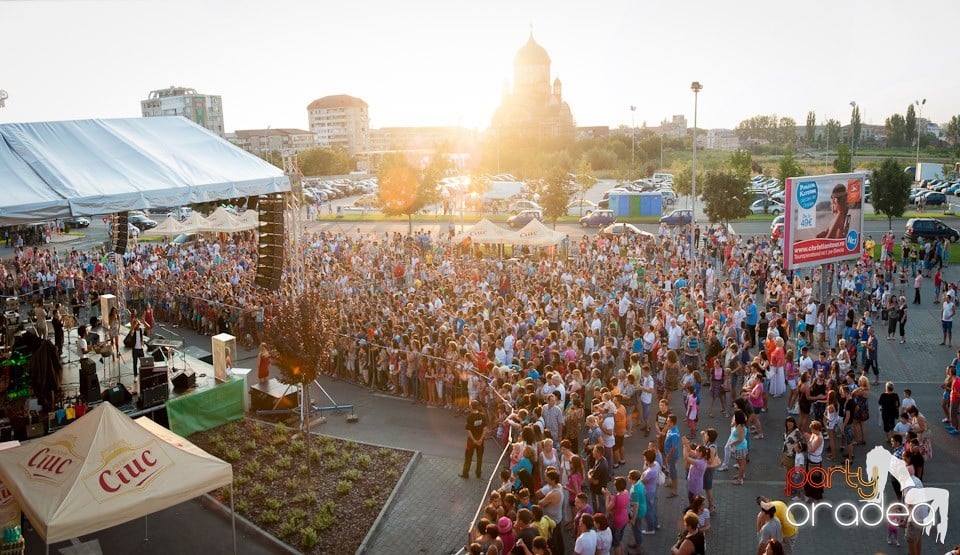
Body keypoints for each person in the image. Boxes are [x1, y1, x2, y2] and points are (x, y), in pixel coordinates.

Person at [461, 399, 487, 479]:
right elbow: (485, 428)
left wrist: (474, 440)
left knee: (468, 457)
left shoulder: (469, 417)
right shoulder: (482, 416)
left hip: (471, 441)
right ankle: (478, 473)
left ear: (471, 407)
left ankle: (465, 474)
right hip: (481, 441)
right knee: (479, 457)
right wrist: (480, 439)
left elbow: (469, 431)